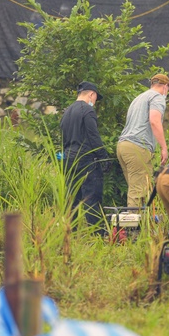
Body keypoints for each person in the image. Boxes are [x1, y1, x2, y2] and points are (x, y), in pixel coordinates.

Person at [117, 73, 169, 208]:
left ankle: (135, 225)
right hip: (137, 147)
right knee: (138, 192)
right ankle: (132, 228)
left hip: (123, 146)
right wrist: (164, 148)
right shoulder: (157, 97)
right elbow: (154, 121)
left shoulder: (139, 98)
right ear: (166, 87)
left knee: (136, 188)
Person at [60, 81, 108, 233]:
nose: (94, 102)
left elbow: (63, 138)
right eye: (95, 98)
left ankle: (70, 234)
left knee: (72, 200)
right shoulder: (87, 110)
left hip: (68, 160)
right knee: (92, 199)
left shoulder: (66, 112)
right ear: (91, 94)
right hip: (86, 160)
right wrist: (104, 158)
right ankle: (98, 236)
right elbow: (93, 137)